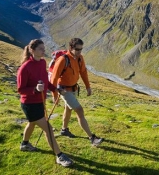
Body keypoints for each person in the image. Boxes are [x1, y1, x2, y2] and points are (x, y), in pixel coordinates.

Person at [17, 39, 73, 167]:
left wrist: (55, 89)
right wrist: (35, 89)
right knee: (48, 129)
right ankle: (59, 156)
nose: (44, 51)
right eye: (40, 49)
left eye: (44, 48)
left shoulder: (42, 62)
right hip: (29, 104)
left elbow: (45, 82)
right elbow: (20, 89)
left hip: (39, 102)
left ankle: (24, 144)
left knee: (31, 123)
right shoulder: (25, 68)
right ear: (32, 50)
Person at [50, 38, 103, 146]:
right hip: (64, 90)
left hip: (73, 88)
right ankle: (91, 138)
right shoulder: (62, 60)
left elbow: (83, 72)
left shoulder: (80, 58)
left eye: (81, 49)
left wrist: (88, 87)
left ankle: (64, 130)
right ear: (71, 48)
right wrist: (55, 95)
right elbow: (54, 79)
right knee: (79, 110)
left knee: (68, 109)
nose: (80, 51)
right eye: (77, 49)